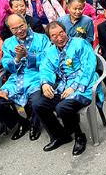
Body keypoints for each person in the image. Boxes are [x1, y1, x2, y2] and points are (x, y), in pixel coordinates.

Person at [32, 22, 98, 155]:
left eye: (61, 33)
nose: (59, 38)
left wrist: (74, 87)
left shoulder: (80, 43)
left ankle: (79, 135)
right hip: (63, 86)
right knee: (38, 104)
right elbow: (45, 68)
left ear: (66, 31)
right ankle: (59, 135)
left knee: (62, 108)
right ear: (50, 38)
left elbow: (89, 66)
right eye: (54, 36)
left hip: (84, 85)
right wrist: (45, 84)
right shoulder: (50, 51)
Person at [0, 14, 51, 141]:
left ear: (26, 23)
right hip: (16, 78)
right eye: (14, 29)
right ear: (10, 30)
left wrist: (29, 56)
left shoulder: (42, 38)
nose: (19, 30)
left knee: (36, 100)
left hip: (36, 76)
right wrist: (17, 58)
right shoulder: (8, 43)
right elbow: (6, 63)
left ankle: (35, 124)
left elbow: (48, 60)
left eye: (21, 26)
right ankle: (22, 123)